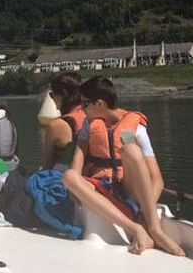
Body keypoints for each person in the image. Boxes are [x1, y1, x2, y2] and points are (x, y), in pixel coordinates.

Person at [63, 76, 185, 256]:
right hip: (102, 188)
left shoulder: (135, 128)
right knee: (69, 177)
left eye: (85, 104)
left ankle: (154, 228)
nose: (81, 109)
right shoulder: (89, 127)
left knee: (132, 151)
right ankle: (136, 229)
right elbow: (76, 168)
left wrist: (145, 212)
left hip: (129, 191)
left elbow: (157, 179)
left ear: (100, 104)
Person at [41, 72, 85, 170]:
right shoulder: (90, 116)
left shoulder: (57, 125)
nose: (52, 99)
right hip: (91, 178)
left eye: (52, 95)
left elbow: (47, 165)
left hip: (66, 181)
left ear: (61, 96)